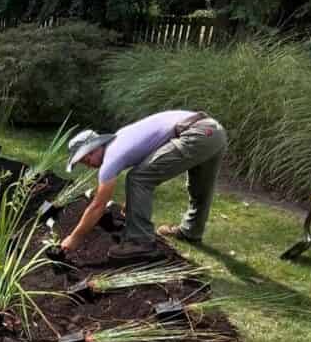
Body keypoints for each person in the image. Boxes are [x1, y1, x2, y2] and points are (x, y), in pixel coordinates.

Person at [58, 110, 228, 262]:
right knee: (200, 188)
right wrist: (134, 204)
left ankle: (140, 242)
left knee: (138, 178)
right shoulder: (121, 139)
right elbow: (152, 160)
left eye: (85, 160)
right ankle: (191, 231)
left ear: (93, 149)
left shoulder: (111, 159)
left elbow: (98, 206)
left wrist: (75, 238)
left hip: (196, 134)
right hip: (213, 130)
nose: (88, 165)